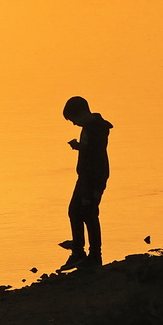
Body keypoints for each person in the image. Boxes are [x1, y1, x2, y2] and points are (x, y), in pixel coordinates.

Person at [59, 95, 113, 271]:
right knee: (75, 211)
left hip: (94, 177)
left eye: (74, 119)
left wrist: (79, 146)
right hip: (85, 176)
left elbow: (95, 150)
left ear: (81, 113)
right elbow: (90, 148)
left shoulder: (95, 128)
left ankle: (94, 255)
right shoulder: (92, 127)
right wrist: (79, 147)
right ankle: (79, 252)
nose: (74, 124)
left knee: (89, 213)